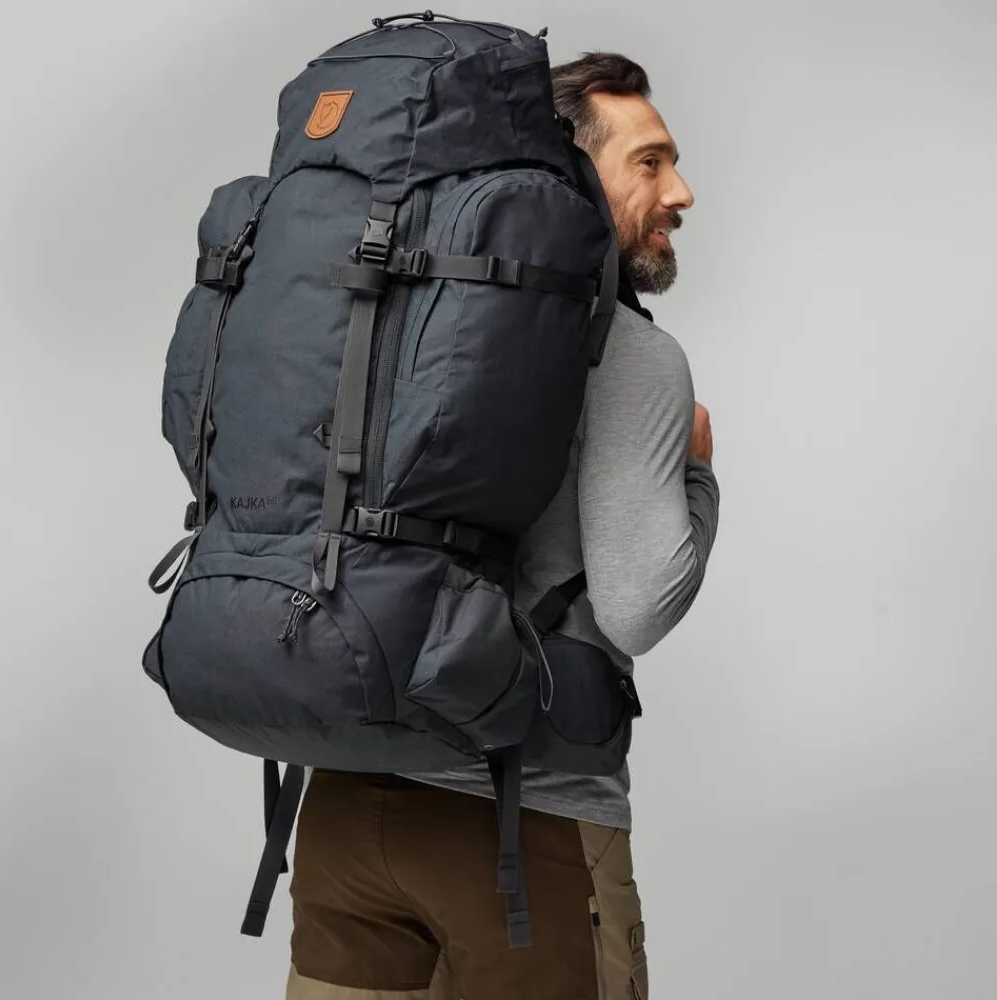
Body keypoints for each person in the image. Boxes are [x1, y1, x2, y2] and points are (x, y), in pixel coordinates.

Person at [285, 52, 721, 1000]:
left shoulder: (381, 311)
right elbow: (639, 606)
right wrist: (698, 476)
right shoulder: (631, 354)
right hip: (526, 831)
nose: (680, 193)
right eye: (649, 163)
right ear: (567, 171)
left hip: (344, 809)